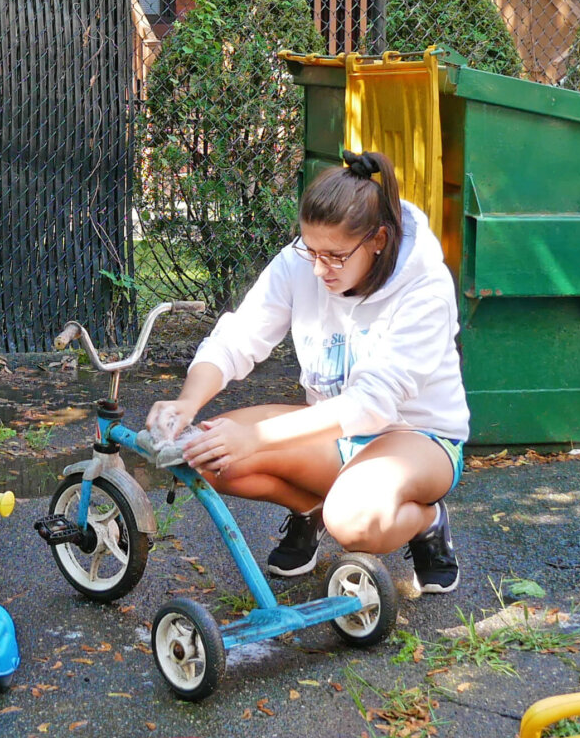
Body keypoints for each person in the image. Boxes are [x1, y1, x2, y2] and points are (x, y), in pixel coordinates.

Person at [145, 152, 469, 595]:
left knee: (354, 521)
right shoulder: (302, 261)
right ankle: (311, 510)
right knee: (206, 452)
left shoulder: (425, 287)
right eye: (311, 250)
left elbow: (371, 404)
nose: (318, 269)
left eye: (334, 257)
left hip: (417, 437)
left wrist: (257, 437)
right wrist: (188, 401)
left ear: (377, 239)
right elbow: (238, 337)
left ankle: (428, 522)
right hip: (336, 433)